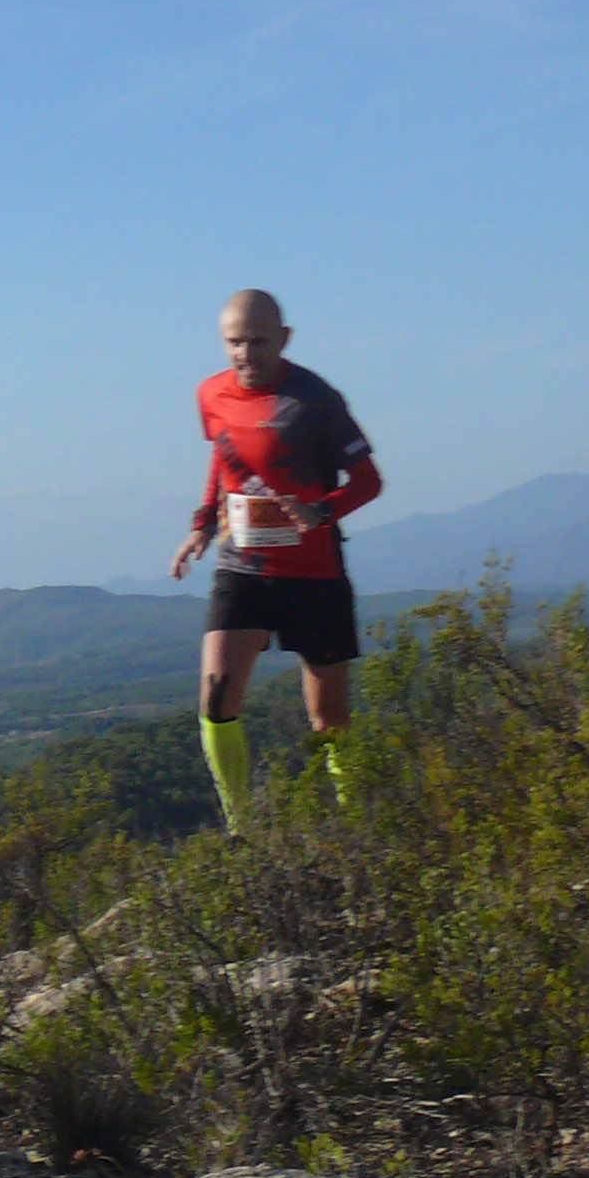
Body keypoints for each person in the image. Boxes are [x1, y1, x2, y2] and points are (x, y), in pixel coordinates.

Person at [167, 287, 381, 831]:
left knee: (328, 719)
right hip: (243, 568)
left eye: (258, 342)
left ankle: (355, 827)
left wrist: (320, 511)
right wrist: (201, 525)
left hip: (315, 574)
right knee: (216, 698)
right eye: (234, 342)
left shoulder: (315, 400)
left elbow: (368, 481)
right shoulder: (211, 393)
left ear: (284, 339)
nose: (245, 354)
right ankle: (242, 831)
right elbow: (223, 458)